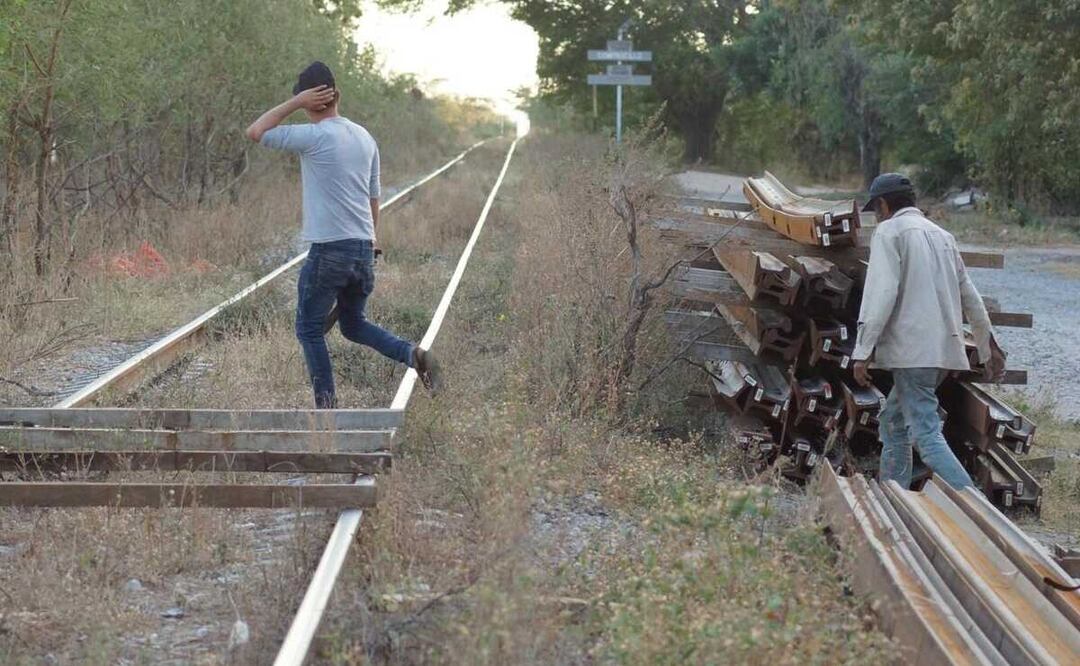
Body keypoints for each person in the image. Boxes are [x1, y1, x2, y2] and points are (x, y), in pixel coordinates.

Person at [245, 61, 440, 408]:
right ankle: (414, 355)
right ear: (338, 95)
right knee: (352, 324)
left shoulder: (315, 136)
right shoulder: (364, 137)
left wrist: (295, 102)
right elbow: (373, 195)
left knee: (308, 330)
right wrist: (371, 240)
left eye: (304, 102)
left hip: (330, 251)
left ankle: (327, 412)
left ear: (311, 101)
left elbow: (256, 132)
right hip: (363, 248)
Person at [851, 172, 1006, 490]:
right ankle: (894, 494)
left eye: (876, 209)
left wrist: (862, 352)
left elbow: (881, 296)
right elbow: (971, 298)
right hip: (942, 353)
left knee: (925, 435)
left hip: (912, 353)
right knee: (892, 422)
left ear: (883, 205)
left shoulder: (889, 233)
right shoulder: (942, 236)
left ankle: (976, 506)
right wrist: (988, 347)